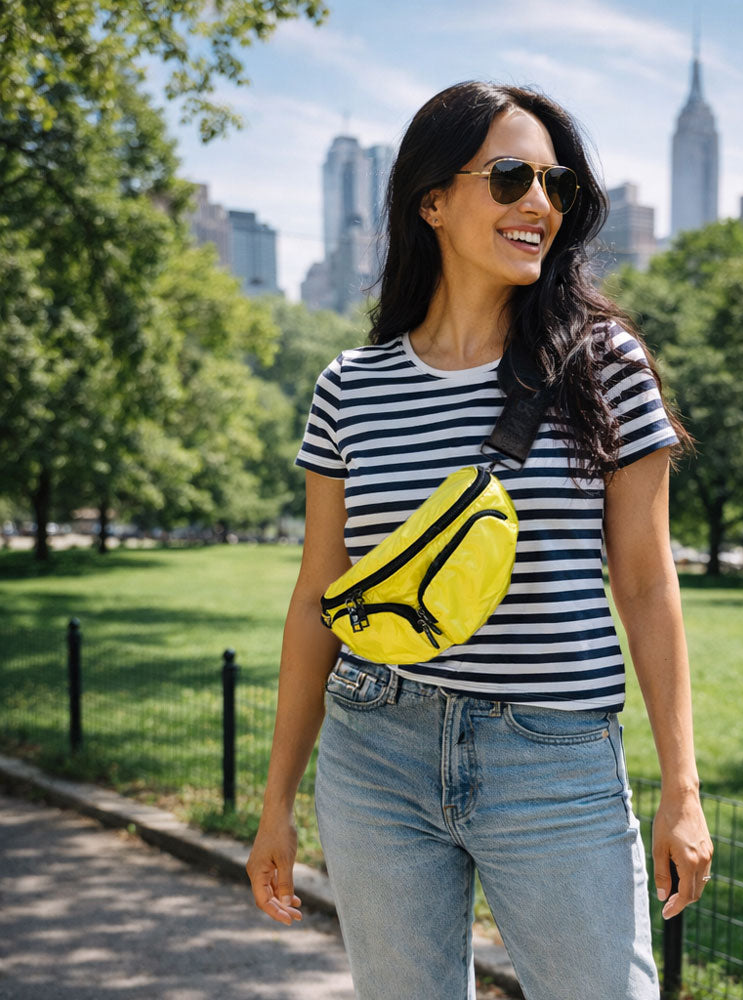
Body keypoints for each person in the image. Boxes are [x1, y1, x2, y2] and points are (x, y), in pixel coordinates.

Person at [247, 80, 713, 1000]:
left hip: (554, 757)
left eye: (554, 183)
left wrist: (683, 787)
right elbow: (317, 598)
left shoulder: (602, 364)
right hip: (374, 749)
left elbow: (650, 586)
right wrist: (275, 802)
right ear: (433, 201)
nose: (538, 202)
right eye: (509, 178)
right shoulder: (352, 388)